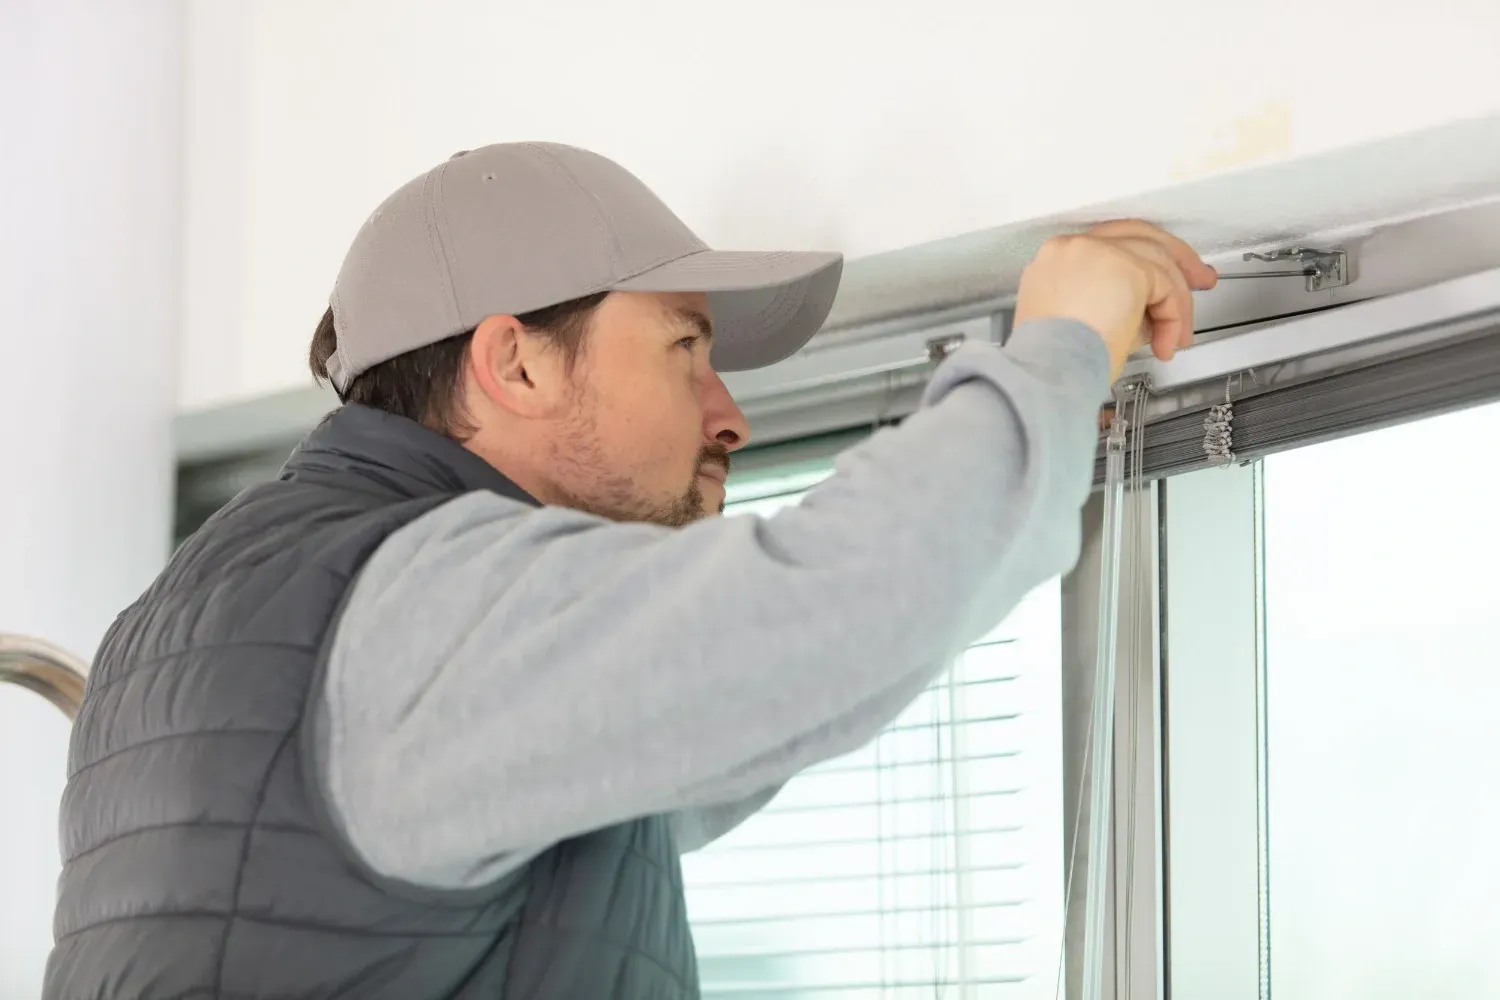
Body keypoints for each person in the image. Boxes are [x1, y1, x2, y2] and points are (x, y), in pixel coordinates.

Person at [45, 142, 1215, 1000]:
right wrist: (1061, 347)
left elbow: (743, 709)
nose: (729, 416)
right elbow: (843, 604)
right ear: (515, 363)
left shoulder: (221, 614)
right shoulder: (418, 604)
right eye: (686, 348)